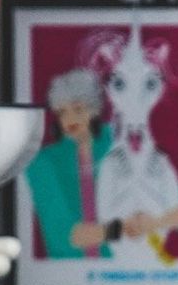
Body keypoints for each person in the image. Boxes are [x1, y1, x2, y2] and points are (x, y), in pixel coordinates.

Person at [26, 69, 116, 259]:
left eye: (78, 109)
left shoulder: (120, 148)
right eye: (62, 112)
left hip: (124, 273)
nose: (69, 120)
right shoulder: (43, 163)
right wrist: (125, 229)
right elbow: (62, 235)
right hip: (68, 275)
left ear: (96, 109)